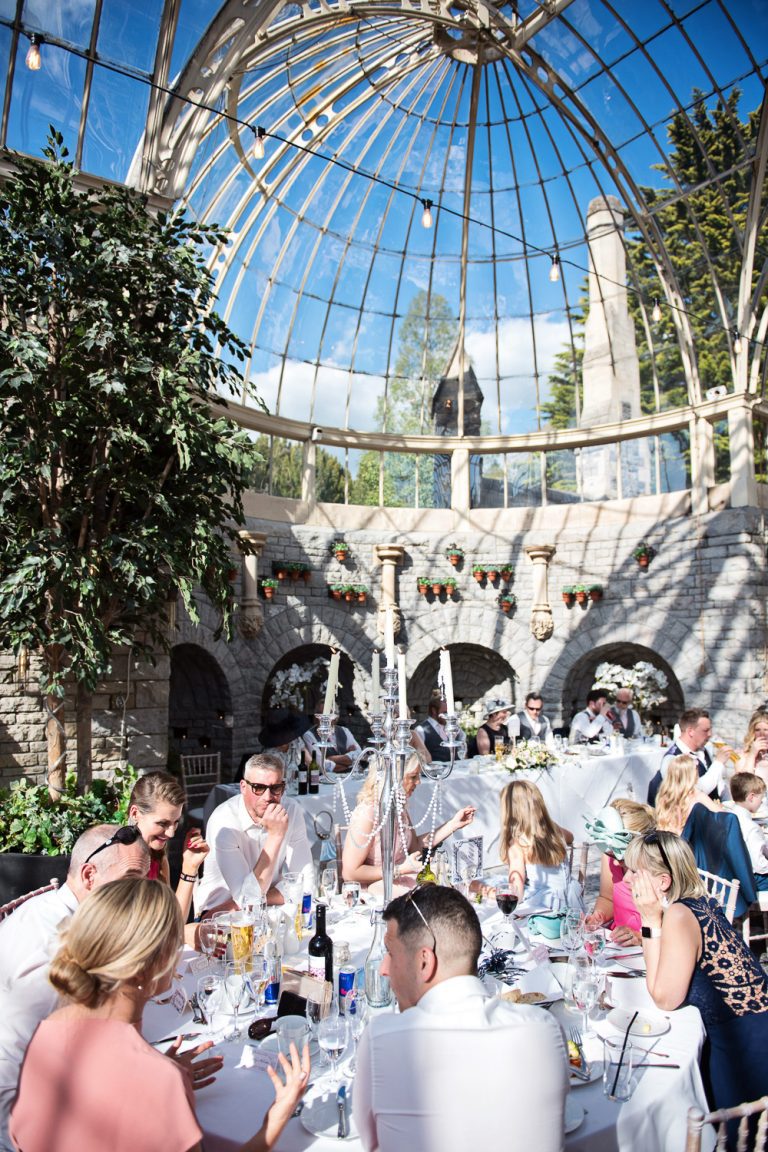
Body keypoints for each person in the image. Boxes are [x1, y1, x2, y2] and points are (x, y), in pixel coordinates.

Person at [10, 877, 309, 1152]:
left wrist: (158, 1071)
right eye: (174, 943)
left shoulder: (46, 1033)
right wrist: (275, 1120)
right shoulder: (158, 1080)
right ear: (149, 966)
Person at [353, 884, 567, 1152]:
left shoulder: (381, 1040)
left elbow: (371, 1144)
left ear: (424, 962)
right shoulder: (545, 1030)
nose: (384, 969)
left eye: (391, 953)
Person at [0, 824, 150, 1151]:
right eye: (129, 881)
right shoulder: (53, 950)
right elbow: (8, 1074)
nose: (139, 895)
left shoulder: (61, 913)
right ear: (89, 876)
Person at [626, 831, 768, 1128]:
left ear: (663, 881)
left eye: (634, 873)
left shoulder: (680, 915)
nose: (627, 879)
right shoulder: (699, 902)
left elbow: (664, 997)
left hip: (743, 1062)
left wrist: (649, 919)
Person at [194, 753, 314, 916]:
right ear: (243, 787)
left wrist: (256, 899)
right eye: (258, 788)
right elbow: (248, 900)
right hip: (218, 914)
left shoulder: (291, 810)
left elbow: (306, 884)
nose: (268, 797)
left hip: (264, 908)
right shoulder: (224, 821)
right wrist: (275, 836)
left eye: (275, 788)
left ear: (283, 788)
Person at [342, 755, 475, 889]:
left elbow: (415, 847)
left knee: (461, 881)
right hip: (378, 888)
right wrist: (400, 869)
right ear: (394, 778)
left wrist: (452, 824)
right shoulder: (368, 813)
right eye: (413, 777)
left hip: (404, 879)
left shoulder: (398, 806)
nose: (418, 782)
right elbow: (350, 873)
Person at [656, 755, 756, 919]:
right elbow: (723, 819)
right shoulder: (695, 795)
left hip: (669, 854)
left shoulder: (663, 796)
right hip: (691, 858)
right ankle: (743, 898)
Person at [128, 771, 209, 921]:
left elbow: (174, 921)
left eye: (176, 822)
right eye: (162, 823)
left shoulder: (158, 858)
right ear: (135, 814)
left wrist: (190, 868)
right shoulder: (120, 863)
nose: (171, 833)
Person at [584, 798, 656, 945]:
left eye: (620, 856)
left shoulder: (659, 866)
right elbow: (607, 898)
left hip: (651, 947)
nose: (615, 862)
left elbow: (676, 925)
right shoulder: (610, 856)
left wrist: (641, 937)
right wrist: (598, 916)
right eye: (611, 855)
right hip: (616, 944)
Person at [497, 779, 577, 910]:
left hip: (545, 909)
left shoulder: (518, 845)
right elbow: (571, 837)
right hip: (571, 902)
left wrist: (484, 891)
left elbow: (515, 895)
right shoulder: (554, 830)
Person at [646, 708, 731, 806]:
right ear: (690, 731)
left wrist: (727, 802)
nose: (710, 734)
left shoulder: (703, 750)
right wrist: (718, 763)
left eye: (710, 730)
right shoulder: (671, 759)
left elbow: (718, 783)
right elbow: (694, 792)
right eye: (705, 730)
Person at [724, 773, 768, 892]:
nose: (762, 801)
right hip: (754, 879)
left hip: (734, 874)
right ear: (751, 797)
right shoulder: (751, 827)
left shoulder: (728, 816)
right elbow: (760, 865)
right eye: (761, 797)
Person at [415, 691, 467, 762]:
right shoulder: (421, 730)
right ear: (434, 711)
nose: (448, 716)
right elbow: (420, 758)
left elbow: (463, 747)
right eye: (445, 712)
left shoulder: (454, 727)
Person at [733, 711, 768, 787]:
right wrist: (752, 754)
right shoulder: (741, 755)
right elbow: (742, 785)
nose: (762, 734)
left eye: (766, 729)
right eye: (757, 730)